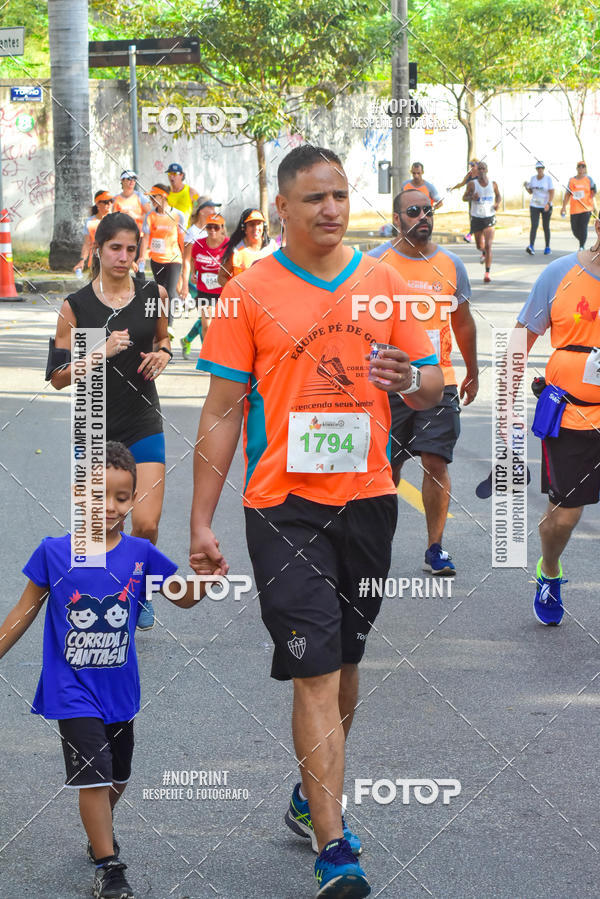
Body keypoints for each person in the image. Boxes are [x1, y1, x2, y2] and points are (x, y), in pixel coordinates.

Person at [190, 144, 443, 897]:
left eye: (339, 195)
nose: (330, 209)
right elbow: (221, 410)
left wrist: (413, 380)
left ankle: (309, 796)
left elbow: (431, 386)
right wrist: (200, 520)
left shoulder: (385, 281)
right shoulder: (247, 292)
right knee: (315, 667)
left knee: (347, 666)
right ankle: (336, 843)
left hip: (366, 499)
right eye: (313, 198)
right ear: (280, 210)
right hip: (282, 506)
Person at [0, 442, 219, 899]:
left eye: (123, 497)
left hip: (119, 692)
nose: (112, 507)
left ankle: (98, 830)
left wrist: (207, 580)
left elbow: (181, 594)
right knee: (95, 775)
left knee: (118, 776)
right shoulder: (54, 553)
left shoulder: (141, 553)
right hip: (71, 689)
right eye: (101, 496)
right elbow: (24, 611)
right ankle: (109, 865)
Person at [48, 212, 172, 630]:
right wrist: (100, 352)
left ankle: (140, 589)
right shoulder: (75, 306)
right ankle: (97, 596)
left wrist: (164, 355)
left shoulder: (152, 292)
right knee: (98, 525)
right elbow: (57, 379)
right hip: (94, 421)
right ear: (98, 249)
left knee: (146, 520)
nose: (123, 257)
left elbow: (163, 338)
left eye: (131, 249)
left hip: (143, 419)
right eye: (114, 248)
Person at [368, 188, 478, 575]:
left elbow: (462, 322)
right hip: (390, 380)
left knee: (435, 461)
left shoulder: (451, 265)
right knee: (387, 468)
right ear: (397, 218)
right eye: (413, 211)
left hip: (439, 381)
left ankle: (436, 547)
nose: (423, 217)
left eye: (428, 210)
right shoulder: (375, 263)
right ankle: (378, 545)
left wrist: (473, 369)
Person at [515, 216, 600, 626]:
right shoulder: (559, 274)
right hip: (571, 415)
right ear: (598, 225)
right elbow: (521, 338)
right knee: (564, 515)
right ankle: (550, 569)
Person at [181, 213, 228, 356]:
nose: (212, 230)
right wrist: (194, 274)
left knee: (220, 325)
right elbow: (194, 260)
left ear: (222, 228)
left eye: (216, 227)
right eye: (209, 227)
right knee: (206, 324)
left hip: (223, 291)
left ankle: (190, 340)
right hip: (204, 290)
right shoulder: (198, 244)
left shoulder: (228, 245)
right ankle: (209, 355)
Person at [139, 184, 186, 330]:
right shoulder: (150, 216)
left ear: (163, 196)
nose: (151, 200)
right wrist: (141, 256)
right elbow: (146, 238)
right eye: (150, 197)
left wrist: (186, 260)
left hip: (174, 259)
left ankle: (169, 325)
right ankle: (160, 321)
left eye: (154, 196)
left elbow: (181, 239)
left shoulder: (178, 215)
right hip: (156, 260)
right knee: (160, 291)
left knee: (171, 291)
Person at [181, 197, 224, 309]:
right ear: (201, 210)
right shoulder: (192, 232)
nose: (214, 210)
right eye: (210, 207)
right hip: (200, 281)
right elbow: (187, 260)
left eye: (214, 208)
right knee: (206, 317)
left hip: (220, 281)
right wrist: (185, 285)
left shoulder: (217, 228)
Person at [463, 161, 501, 283]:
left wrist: (497, 204)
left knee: (489, 245)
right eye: (479, 169)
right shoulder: (472, 184)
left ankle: (487, 273)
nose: (481, 171)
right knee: (480, 245)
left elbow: (498, 196)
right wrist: (471, 197)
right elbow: (464, 198)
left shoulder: (493, 184)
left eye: (483, 168)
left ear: (487, 170)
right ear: (476, 171)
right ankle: (483, 252)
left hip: (489, 217)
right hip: (477, 217)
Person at [217, 208, 277, 286]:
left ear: (264, 226)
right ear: (244, 228)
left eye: (259, 223)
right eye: (252, 224)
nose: (256, 228)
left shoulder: (272, 247)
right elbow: (221, 277)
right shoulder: (236, 251)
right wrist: (234, 291)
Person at [73, 191, 113, 275]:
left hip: (112, 261)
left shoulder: (116, 220)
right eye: (106, 202)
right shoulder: (90, 222)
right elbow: (87, 244)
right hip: (96, 262)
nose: (109, 204)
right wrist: (82, 261)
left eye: (111, 201)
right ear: (98, 204)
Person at [560, 161, 597, 250]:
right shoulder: (572, 180)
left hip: (586, 208)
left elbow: (594, 191)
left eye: (583, 166)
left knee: (583, 227)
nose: (581, 168)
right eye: (579, 166)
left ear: (585, 168)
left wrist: (592, 201)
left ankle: (581, 246)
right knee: (575, 229)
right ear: (576, 168)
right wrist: (564, 207)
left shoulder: (589, 179)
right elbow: (567, 194)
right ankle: (581, 241)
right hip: (574, 210)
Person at [524, 161, 554, 255]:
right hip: (535, 205)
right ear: (536, 169)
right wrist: (526, 186)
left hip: (546, 205)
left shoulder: (548, 179)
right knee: (534, 225)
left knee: (546, 226)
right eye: (538, 168)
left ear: (543, 169)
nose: (539, 169)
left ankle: (547, 247)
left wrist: (548, 204)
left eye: (541, 168)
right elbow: (530, 191)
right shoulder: (533, 179)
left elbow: (552, 192)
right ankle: (531, 246)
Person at [447, 159, 479, 242]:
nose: (471, 167)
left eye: (473, 165)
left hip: (479, 199)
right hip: (470, 198)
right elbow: (462, 184)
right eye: (470, 165)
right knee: (472, 216)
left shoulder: (480, 175)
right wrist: (452, 188)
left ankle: (471, 234)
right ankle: (472, 234)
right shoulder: (469, 175)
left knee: (477, 217)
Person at [166, 163, 200, 227]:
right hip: (170, 232)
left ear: (181, 175)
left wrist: (194, 204)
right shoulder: (166, 192)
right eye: (169, 174)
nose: (171, 176)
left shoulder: (191, 192)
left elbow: (198, 205)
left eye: (174, 174)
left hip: (186, 231)